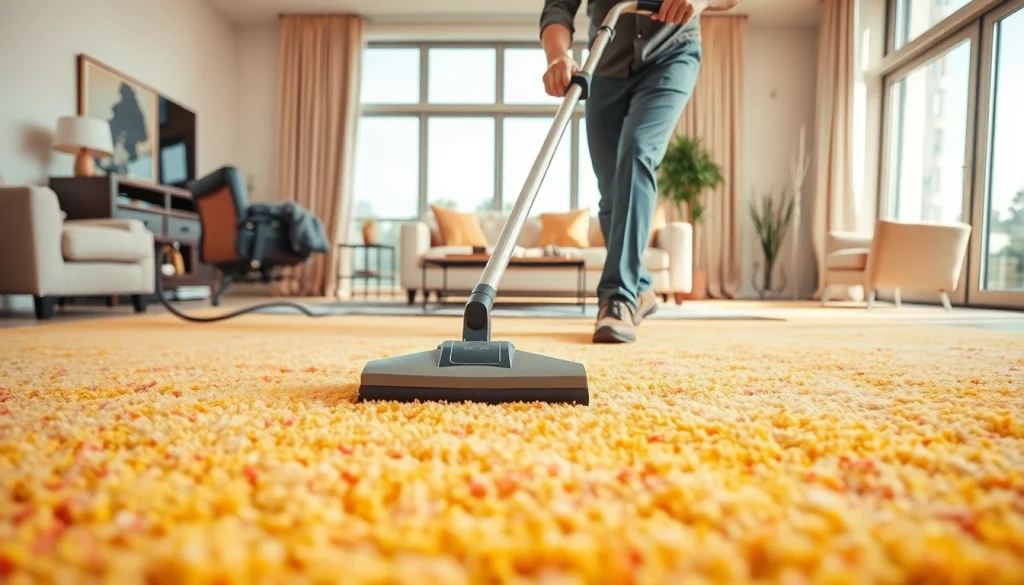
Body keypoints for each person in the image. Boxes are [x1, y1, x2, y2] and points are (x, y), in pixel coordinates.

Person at [540, 0, 741, 343]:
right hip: (605, 65)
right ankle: (643, 288)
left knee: (637, 152)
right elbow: (558, 8)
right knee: (611, 189)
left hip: (672, 54)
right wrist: (558, 55)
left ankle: (618, 297)